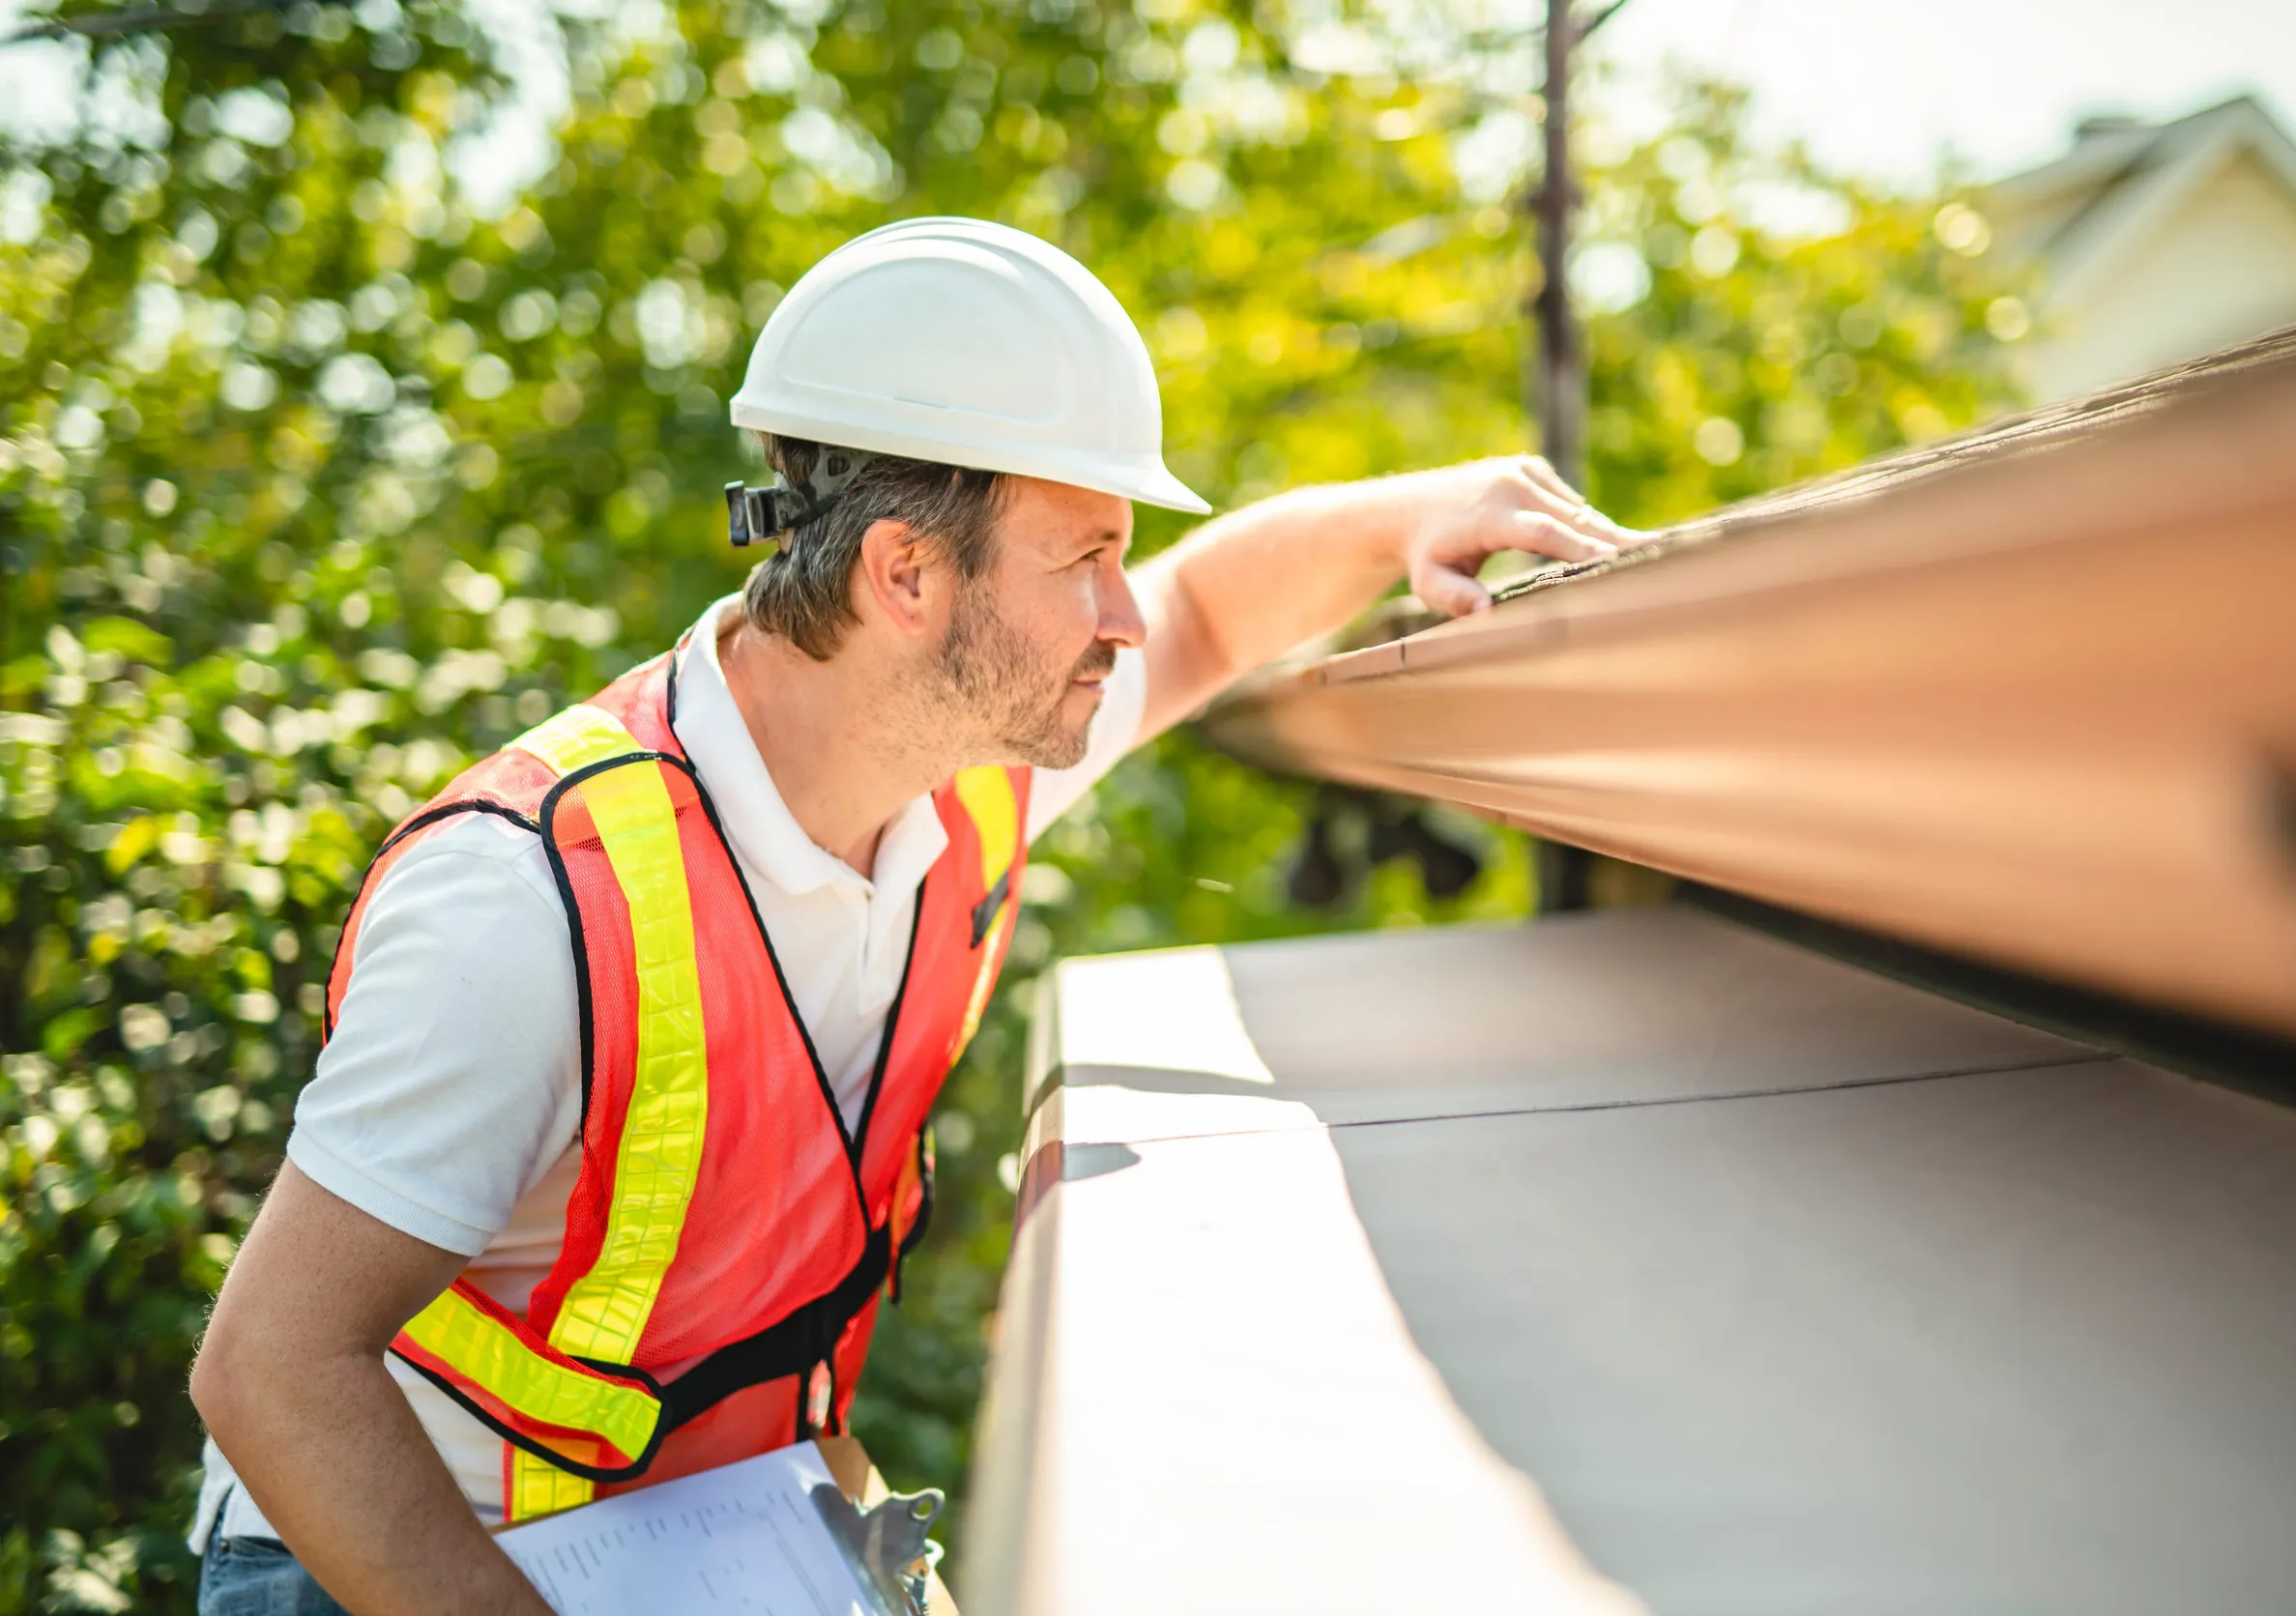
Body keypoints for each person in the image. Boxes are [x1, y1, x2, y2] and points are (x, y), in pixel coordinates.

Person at [188, 216, 1628, 1615]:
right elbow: (272, 1370)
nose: (1119, 614)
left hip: (712, 1532)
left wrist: (1415, 511)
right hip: (386, 1559)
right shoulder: (531, 899)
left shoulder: (962, 780)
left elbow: (1201, 621)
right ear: (907, 574)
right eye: (1085, 558)